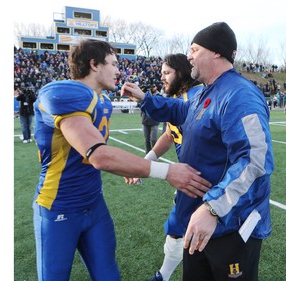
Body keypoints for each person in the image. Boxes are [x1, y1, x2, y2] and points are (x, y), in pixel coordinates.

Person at [32, 39, 211, 281]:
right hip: (58, 207)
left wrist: (131, 164)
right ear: (94, 64)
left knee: (109, 275)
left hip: (94, 203)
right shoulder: (62, 92)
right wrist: (166, 172)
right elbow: (99, 155)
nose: (119, 70)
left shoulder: (103, 101)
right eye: (114, 64)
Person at [122, 22, 274, 281]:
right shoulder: (207, 92)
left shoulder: (240, 95)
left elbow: (255, 160)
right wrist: (146, 99)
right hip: (199, 220)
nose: (189, 56)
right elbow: (179, 110)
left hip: (229, 225)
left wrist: (213, 208)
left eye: (194, 49)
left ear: (216, 52)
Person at [125, 53, 204, 281]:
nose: (162, 78)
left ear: (181, 73)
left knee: (178, 228)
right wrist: (147, 160)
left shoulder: (196, 95)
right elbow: (170, 135)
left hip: (201, 178)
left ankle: (164, 276)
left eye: (167, 73)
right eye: (161, 73)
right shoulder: (180, 98)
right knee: (181, 228)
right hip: (191, 175)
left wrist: (144, 98)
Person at [141, 83, 161, 153]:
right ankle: (148, 154)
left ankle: (155, 153)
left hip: (154, 120)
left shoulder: (159, 96)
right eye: (151, 87)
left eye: (154, 86)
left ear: (156, 87)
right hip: (145, 119)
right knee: (146, 139)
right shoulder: (145, 95)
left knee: (153, 139)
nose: (152, 88)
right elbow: (141, 104)